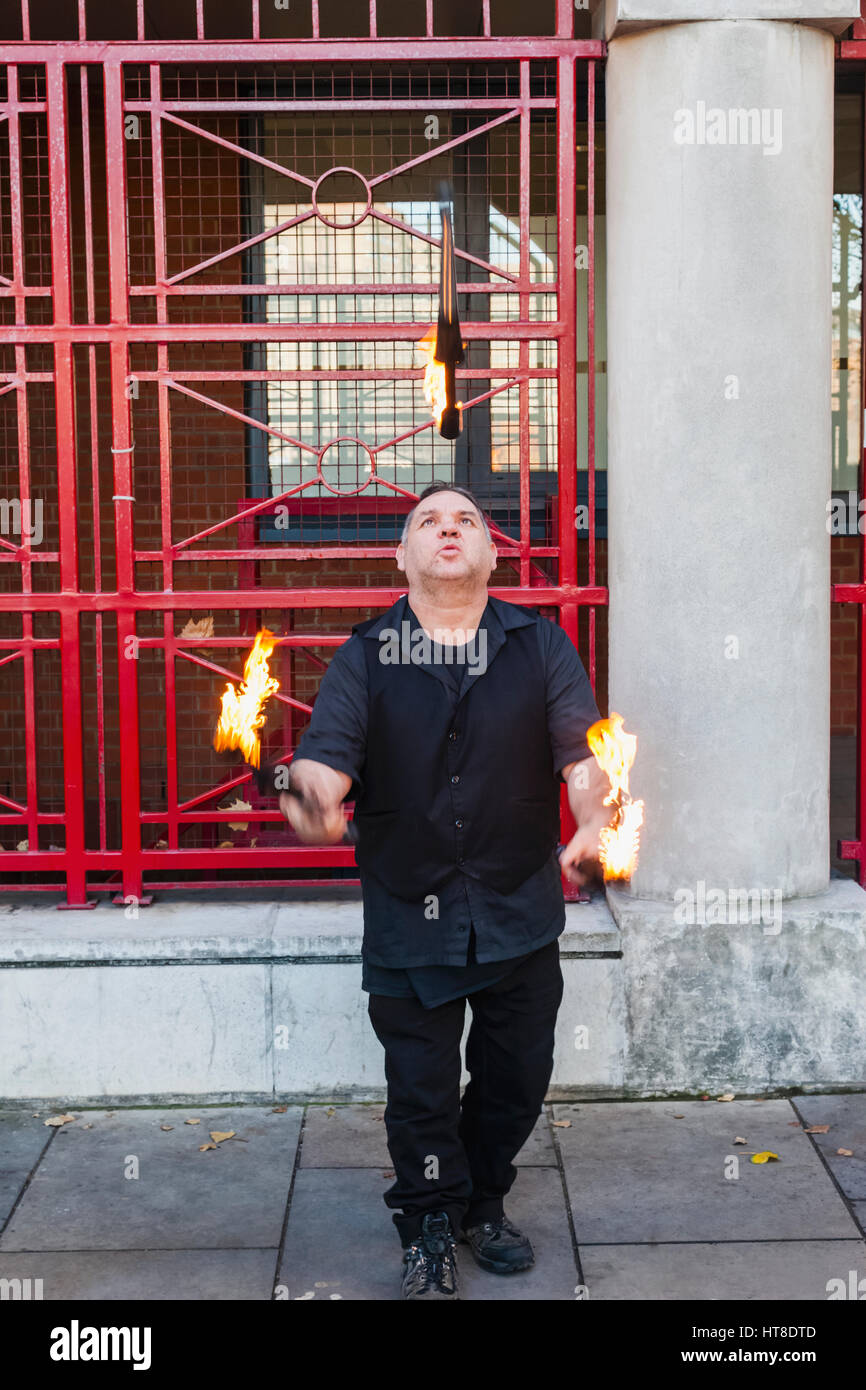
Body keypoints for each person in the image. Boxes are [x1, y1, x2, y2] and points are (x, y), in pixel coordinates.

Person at [279, 481, 611, 1300]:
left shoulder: (541, 647)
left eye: (466, 518)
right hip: (408, 910)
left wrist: (595, 811)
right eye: (429, 520)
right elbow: (327, 755)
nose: (449, 529)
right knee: (420, 1093)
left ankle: (480, 1201)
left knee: (517, 1080)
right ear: (404, 556)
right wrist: (312, 792)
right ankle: (427, 1220)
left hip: (517, 910)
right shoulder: (365, 655)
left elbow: (583, 755)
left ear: (493, 554)